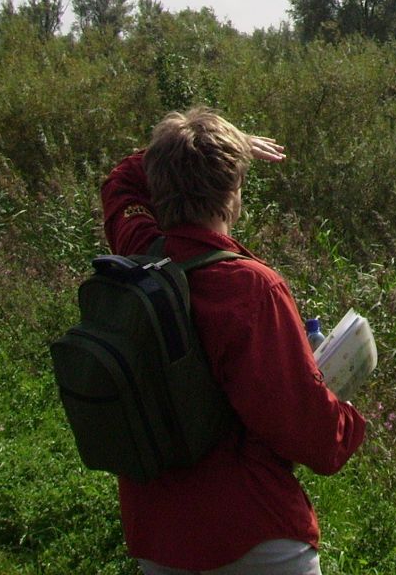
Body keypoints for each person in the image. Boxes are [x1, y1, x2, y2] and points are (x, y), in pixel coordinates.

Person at [102, 107, 365, 575]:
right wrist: (341, 415)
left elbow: (119, 184)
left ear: (159, 184)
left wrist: (187, 149)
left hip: (160, 537)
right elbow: (308, 432)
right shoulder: (252, 288)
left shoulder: (139, 253)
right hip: (255, 536)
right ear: (231, 196)